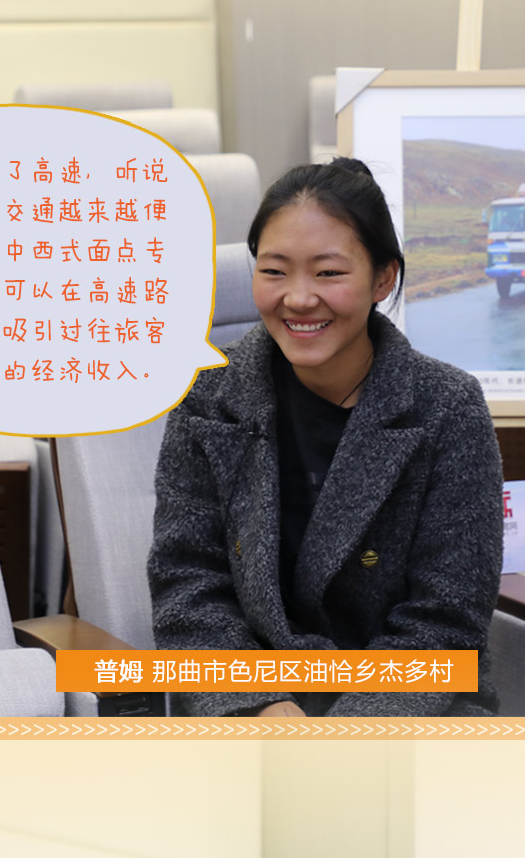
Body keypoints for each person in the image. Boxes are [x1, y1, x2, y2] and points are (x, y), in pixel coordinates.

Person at [148, 157, 504, 709]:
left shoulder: (446, 407)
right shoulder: (208, 397)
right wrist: (263, 707)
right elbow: (189, 588)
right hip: (254, 703)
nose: (298, 298)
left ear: (383, 278)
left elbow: (444, 621)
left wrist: (343, 736)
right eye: (274, 271)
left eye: (329, 273)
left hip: (405, 706)